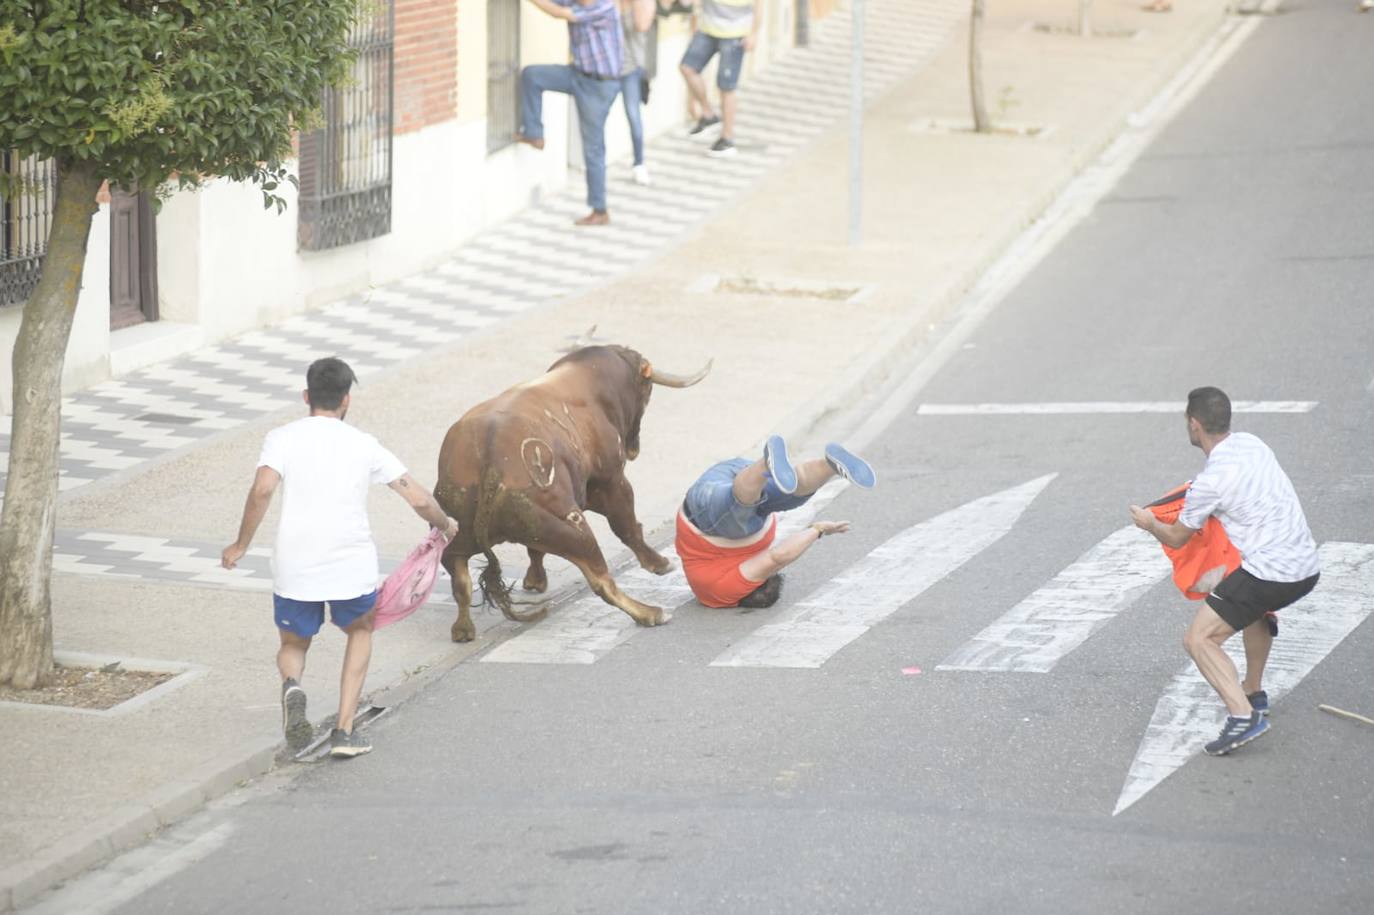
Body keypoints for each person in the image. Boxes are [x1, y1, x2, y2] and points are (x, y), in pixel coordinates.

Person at [221, 357, 458, 758]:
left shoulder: (282, 438)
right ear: (346, 400)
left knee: (294, 643)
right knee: (360, 631)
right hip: (351, 566)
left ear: (306, 396)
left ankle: (292, 686)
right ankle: (344, 732)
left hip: (297, 564)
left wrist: (240, 544)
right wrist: (444, 524)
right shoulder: (364, 444)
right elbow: (417, 497)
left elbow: (262, 489)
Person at [1130, 387, 1320, 757]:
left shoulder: (1211, 481)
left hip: (1271, 572)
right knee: (1252, 611)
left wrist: (1150, 523)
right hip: (1305, 565)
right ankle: (1253, 690)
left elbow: (1178, 537)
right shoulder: (1253, 444)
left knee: (1198, 639)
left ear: (1194, 424)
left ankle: (1243, 715)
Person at [677, 435, 875, 609]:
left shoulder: (727, 591)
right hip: (742, 479)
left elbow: (778, 557)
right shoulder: (717, 585)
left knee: (739, 521)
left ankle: (766, 465)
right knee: (789, 495)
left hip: (708, 505)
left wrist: (818, 529)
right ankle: (828, 466)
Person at [517, 0, 626, 226]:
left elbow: (559, 13)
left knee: (593, 147)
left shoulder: (603, 7)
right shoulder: (576, 2)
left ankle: (600, 209)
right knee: (532, 75)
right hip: (578, 75)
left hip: (599, 86)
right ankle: (534, 132)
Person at [680, 0, 764, 158]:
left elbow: (759, 4)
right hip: (707, 29)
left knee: (726, 87)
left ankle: (727, 139)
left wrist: (754, 34)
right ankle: (708, 115)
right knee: (687, 68)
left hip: (735, 34)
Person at [620, 0, 656, 185]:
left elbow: (642, 25)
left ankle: (639, 163)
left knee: (633, 115)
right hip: (607, 69)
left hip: (631, 70)